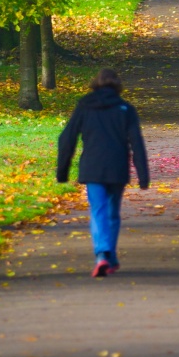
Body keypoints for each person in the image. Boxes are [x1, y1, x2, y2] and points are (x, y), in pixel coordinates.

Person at [56, 68, 150, 278]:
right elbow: (137, 143)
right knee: (112, 212)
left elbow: (67, 138)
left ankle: (102, 254)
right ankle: (110, 255)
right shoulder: (125, 108)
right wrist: (143, 176)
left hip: (92, 167)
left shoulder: (85, 105)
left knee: (98, 210)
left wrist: (62, 171)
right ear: (117, 85)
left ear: (95, 83)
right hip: (117, 167)